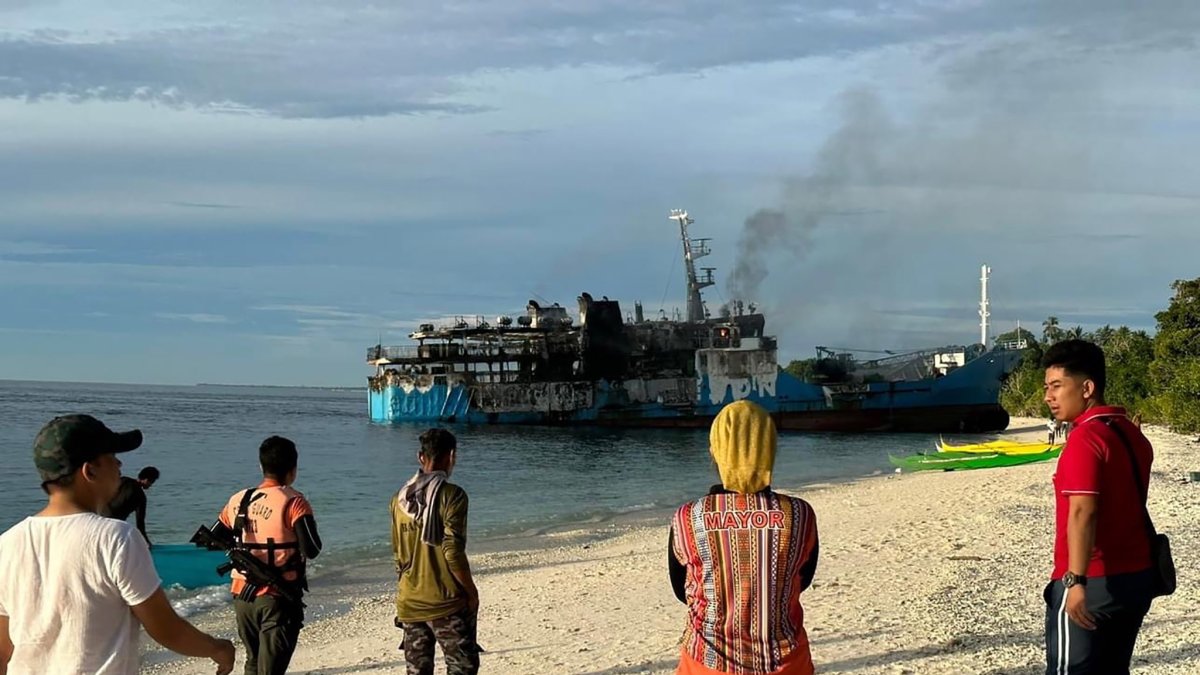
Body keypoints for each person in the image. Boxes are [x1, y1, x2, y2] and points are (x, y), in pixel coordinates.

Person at [0, 414, 235, 675]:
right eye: (112, 456)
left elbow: (3, 650)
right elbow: (165, 628)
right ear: (90, 471)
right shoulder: (116, 537)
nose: (120, 463)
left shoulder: (7, 542)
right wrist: (218, 649)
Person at [669, 400, 820, 675]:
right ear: (768, 449)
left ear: (715, 451)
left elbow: (682, 591)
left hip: (706, 664)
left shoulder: (688, 517)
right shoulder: (799, 514)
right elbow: (802, 579)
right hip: (785, 664)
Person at [1042, 340, 1157, 674]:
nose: (1049, 396)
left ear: (1087, 387)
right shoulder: (1132, 435)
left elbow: (1083, 512)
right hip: (1136, 579)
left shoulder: (1085, 438)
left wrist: (1074, 582)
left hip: (1092, 582)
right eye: (1047, 387)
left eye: (1057, 386)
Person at [213, 436, 321, 675]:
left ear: (261, 467)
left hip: (242, 596)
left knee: (253, 662)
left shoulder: (238, 500)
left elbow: (215, 537)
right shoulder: (294, 502)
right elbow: (312, 548)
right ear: (293, 470)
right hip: (276, 598)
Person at [390, 428, 481, 675]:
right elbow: (452, 550)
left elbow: (399, 556)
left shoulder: (398, 499)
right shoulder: (453, 496)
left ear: (421, 457)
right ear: (452, 456)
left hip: (409, 601)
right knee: (463, 666)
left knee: (417, 671)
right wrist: (471, 591)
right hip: (445, 600)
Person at [103, 465, 160, 546]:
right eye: (152, 482)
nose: (151, 485)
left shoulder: (123, 480)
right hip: (116, 526)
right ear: (147, 480)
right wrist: (147, 542)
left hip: (99, 518)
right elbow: (140, 524)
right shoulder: (141, 497)